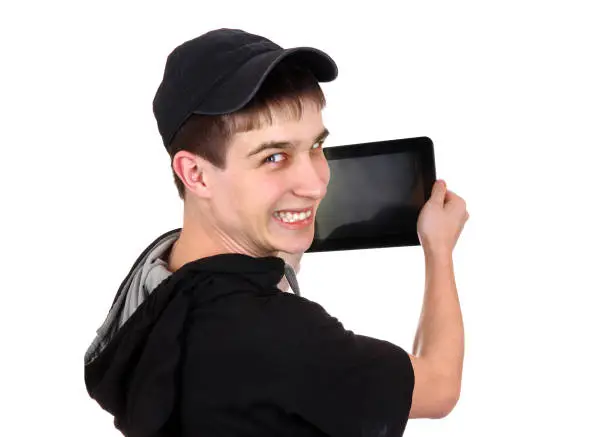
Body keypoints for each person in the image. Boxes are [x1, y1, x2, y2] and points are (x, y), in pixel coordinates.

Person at [84, 28, 469, 437]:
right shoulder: (277, 337)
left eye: (315, 146)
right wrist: (439, 249)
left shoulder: (157, 270)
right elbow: (440, 387)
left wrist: (280, 224)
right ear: (195, 173)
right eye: (274, 156)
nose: (317, 184)